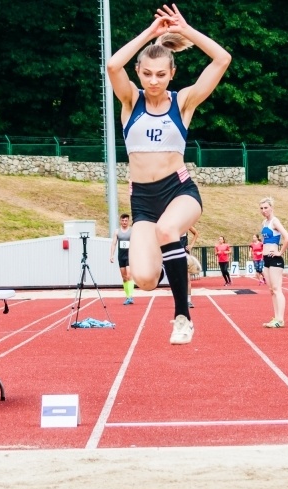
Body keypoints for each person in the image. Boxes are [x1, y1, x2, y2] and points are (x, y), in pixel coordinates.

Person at [107, 3, 231, 345]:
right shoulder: (131, 101)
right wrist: (152, 32)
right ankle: (175, 254)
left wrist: (185, 29)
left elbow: (222, 60)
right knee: (144, 279)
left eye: (161, 74)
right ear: (139, 71)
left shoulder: (184, 103)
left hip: (179, 191)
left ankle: (182, 317)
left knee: (168, 229)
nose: (153, 80)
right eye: (147, 73)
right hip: (143, 201)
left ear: (172, 74)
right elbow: (112, 65)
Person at [260, 197, 288, 328]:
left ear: (271, 208)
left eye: (266, 207)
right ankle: (276, 318)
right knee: (271, 290)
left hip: (275, 259)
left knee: (277, 289)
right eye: (261, 208)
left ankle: (280, 319)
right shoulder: (264, 222)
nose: (263, 210)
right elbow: (264, 241)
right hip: (266, 259)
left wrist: (280, 252)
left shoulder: (274, 221)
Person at [110, 213, 134, 305]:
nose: (124, 222)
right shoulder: (117, 232)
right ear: (120, 221)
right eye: (123, 220)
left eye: (126, 221)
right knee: (124, 278)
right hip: (121, 256)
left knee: (129, 275)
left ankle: (130, 296)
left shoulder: (131, 231)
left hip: (129, 256)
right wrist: (111, 255)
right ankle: (127, 296)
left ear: (128, 221)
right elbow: (114, 244)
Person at [182, 226, 199, 308]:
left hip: (185, 253)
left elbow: (196, 233)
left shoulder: (186, 223)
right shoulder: (172, 224)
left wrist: (191, 245)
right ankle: (180, 300)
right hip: (175, 253)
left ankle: (188, 300)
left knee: (187, 278)